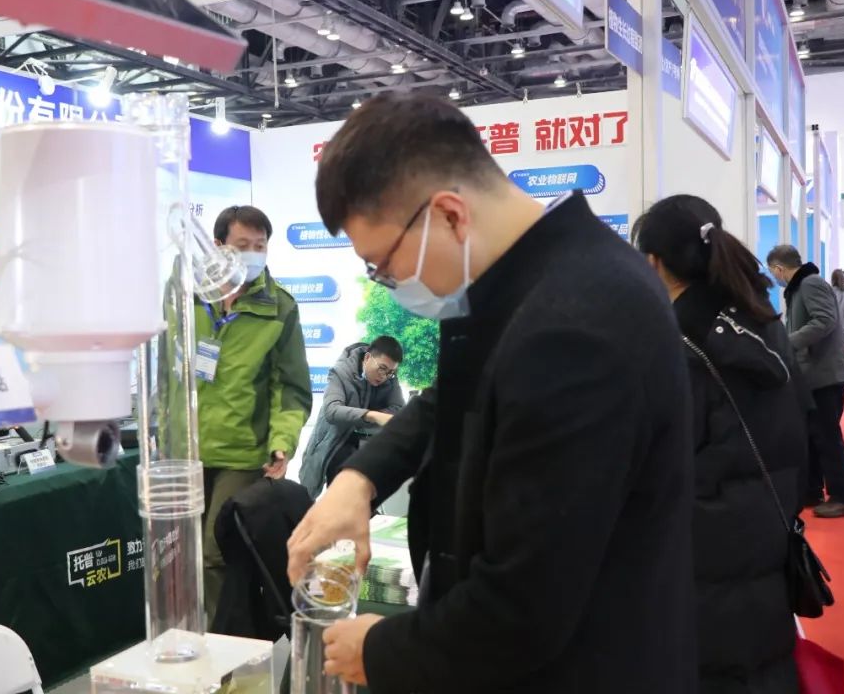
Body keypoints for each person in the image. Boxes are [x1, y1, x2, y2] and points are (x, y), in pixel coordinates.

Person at [286, 92, 697, 693]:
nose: (390, 284)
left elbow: (524, 607)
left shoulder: (575, 325)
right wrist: (361, 477)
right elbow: (453, 396)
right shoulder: (538, 279)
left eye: (384, 266)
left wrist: (379, 650)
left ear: (451, 215)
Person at [634, 195, 804, 692]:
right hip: (766, 532)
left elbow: (658, 464)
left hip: (698, 552)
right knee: (760, 662)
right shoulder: (759, 320)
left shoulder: (679, 344)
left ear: (654, 263)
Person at [198, 205, 312, 621]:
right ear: (217, 247)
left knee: (215, 553)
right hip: (187, 449)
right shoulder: (188, 298)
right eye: (242, 245)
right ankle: (191, 635)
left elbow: (291, 387)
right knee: (178, 553)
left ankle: (222, 646)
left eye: (259, 246)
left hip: (243, 453)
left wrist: (282, 442)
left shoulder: (279, 306)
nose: (252, 254)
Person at [767, 245, 844, 518]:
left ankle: (842, 497)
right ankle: (812, 489)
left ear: (779, 268)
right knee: (812, 436)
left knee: (827, 437)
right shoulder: (800, 287)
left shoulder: (810, 284)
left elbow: (825, 321)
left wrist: (787, 342)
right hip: (814, 376)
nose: (774, 277)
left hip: (825, 375)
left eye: (773, 272)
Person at [298, 336, 406, 498]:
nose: (384, 376)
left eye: (390, 372)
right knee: (322, 493)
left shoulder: (390, 379)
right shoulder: (341, 372)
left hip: (367, 442)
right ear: (367, 358)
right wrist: (371, 415)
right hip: (334, 442)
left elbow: (398, 409)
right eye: (382, 368)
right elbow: (332, 411)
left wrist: (363, 418)